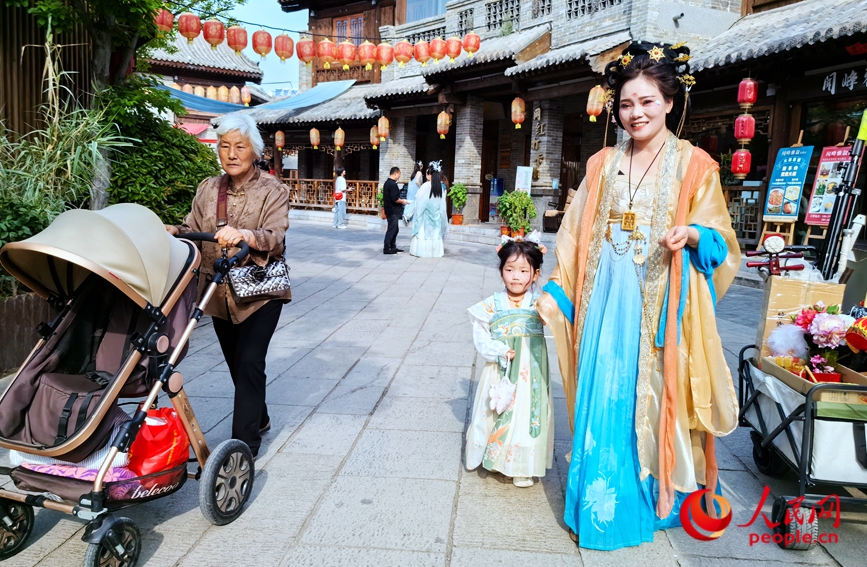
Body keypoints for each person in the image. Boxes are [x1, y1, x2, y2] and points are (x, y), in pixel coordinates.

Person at [536, 42, 740, 550]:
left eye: (647, 102)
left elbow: (723, 241)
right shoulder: (602, 162)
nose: (636, 113)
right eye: (626, 104)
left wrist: (692, 236)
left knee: (644, 396)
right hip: (603, 297)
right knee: (601, 389)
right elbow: (576, 233)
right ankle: (597, 501)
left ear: (670, 102)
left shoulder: (695, 166)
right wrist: (558, 289)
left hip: (658, 301)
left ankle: (642, 497)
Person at [165, 113, 290, 458]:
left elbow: (275, 236)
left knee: (250, 360)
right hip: (218, 292)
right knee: (237, 363)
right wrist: (175, 230)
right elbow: (192, 223)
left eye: (240, 146)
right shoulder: (208, 188)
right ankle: (260, 416)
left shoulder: (273, 190)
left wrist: (246, 235)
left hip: (260, 292)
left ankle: (243, 447)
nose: (232, 153)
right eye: (225, 146)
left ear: (254, 151)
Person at [466, 236, 554, 488]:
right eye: (509, 269)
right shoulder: (492, 304)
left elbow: (557, 317)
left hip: (532, 367)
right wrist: (498, 350)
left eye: (524, 271)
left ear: (535, 274)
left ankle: (523, 465)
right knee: (498, 409)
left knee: (528, 412)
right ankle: (496, 459)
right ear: (500, 270)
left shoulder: (540, 301)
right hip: (502, 367)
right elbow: (480, 334)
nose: (516, 276)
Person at [409, 161, 449, 258]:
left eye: (427, 173)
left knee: (423, 234)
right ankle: (435, 252)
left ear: (429, 175)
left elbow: (418, 199)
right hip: (436, 215)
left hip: (425, 216)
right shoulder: (440, 187)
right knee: (435, 234)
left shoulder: (425, 186)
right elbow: (442, 205)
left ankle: (422, 252)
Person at [382, 167, 407, 254]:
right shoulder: (392, 184)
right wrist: (403, 201)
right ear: (396, 173)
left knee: (395, 229)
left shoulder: (387, 183)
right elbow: (395, 198)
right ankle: (387, 248)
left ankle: (393, 246)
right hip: (392, 210)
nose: (399, 176)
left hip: (389, 209)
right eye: (399, 174)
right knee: (392, 229)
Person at [402, 160, 424, 225]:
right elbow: (417, 181)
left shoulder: (413, 173)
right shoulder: (419, 172)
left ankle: (406, 214)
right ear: (421, 166)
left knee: (410, 202)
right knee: (414, 202)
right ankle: (408, 216)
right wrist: (421, 186)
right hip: (416, 189)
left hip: (411, 189)